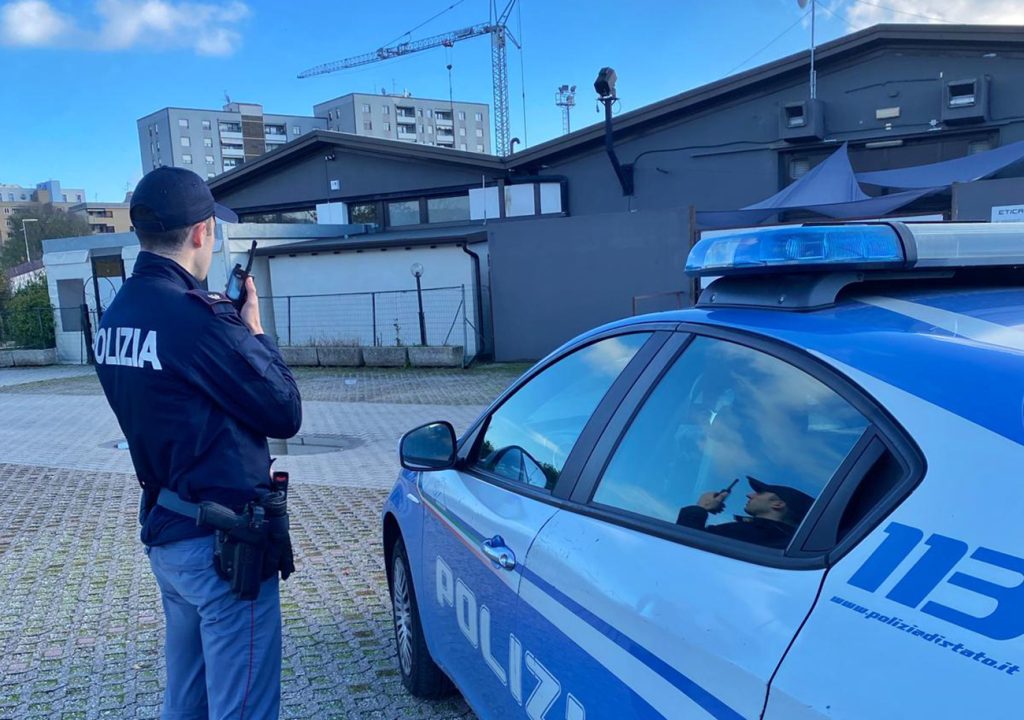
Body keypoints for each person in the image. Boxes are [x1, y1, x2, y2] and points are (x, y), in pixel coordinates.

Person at [93, 167, 302, 719]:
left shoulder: (116, 314)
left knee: (187, 700)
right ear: (201, 232)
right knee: (242, 707)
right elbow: (284, 410)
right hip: (222, 550)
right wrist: (253, 330)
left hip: (170, 531)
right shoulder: (199, 319)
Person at [676, 475, 814, 549]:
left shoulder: (742, 532)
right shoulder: (787, 541)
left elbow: (683, 545)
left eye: (759, 492)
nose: (749, 495)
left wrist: (701, 507)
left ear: (778, 504)